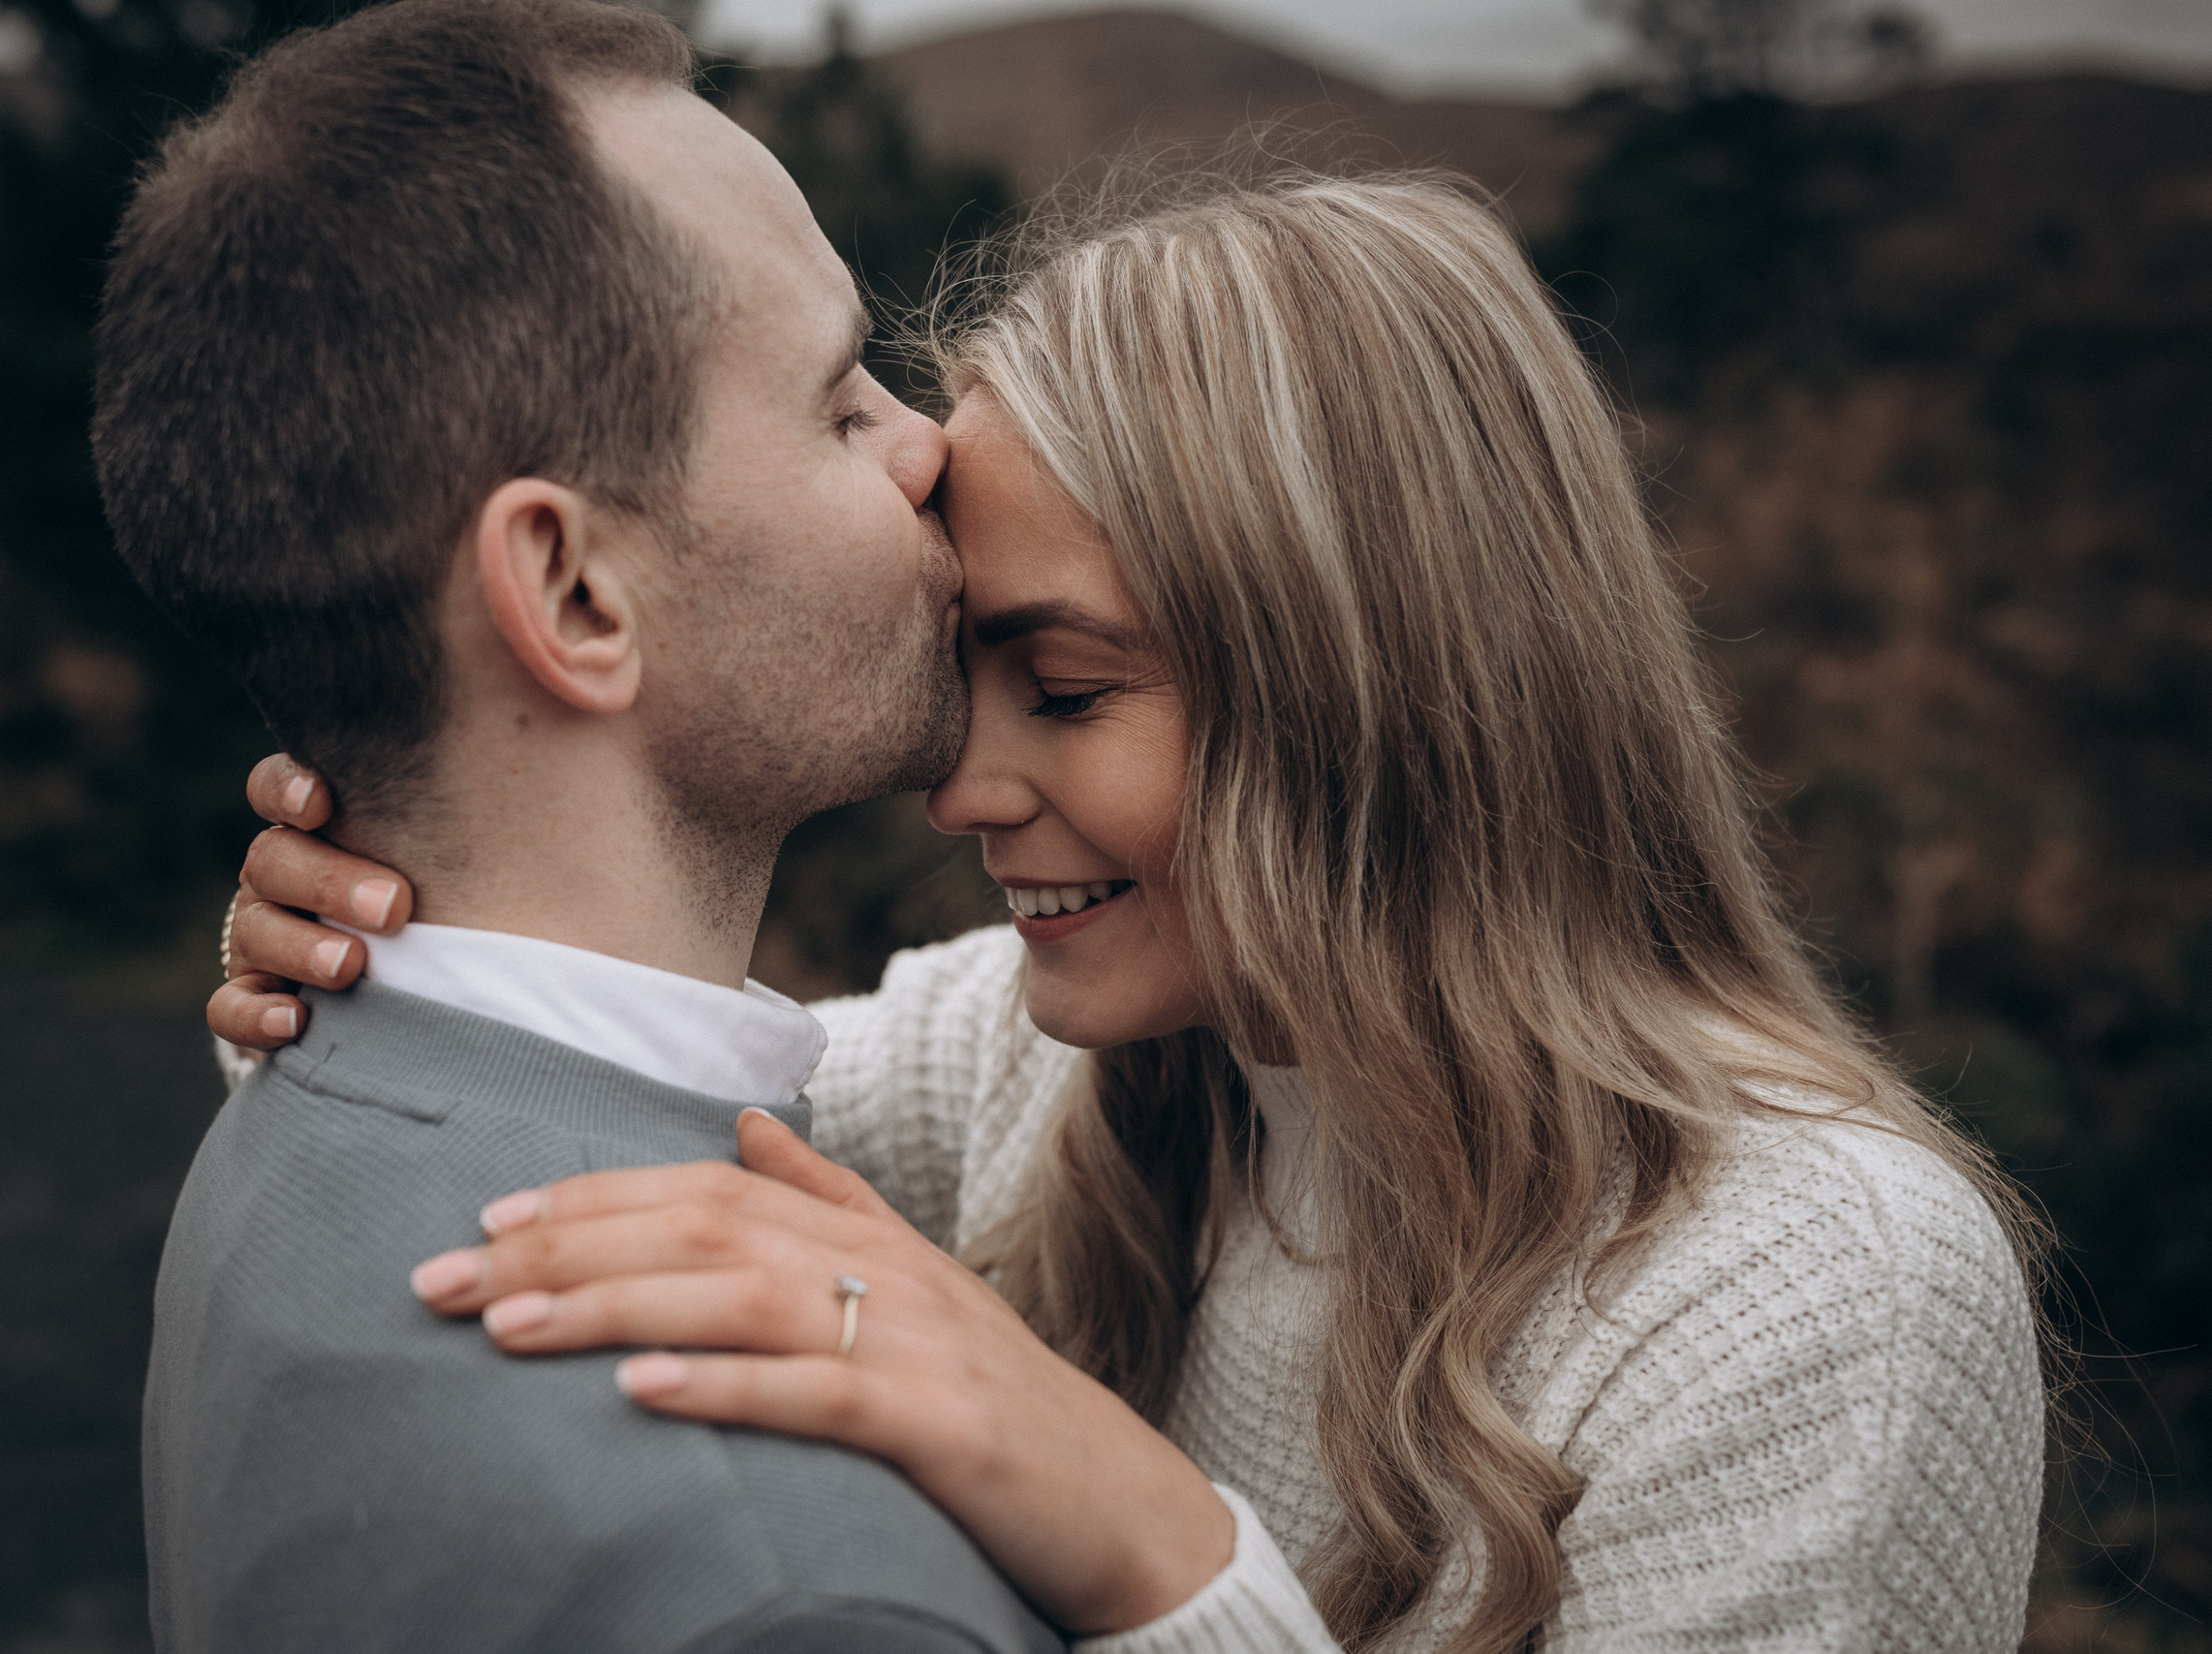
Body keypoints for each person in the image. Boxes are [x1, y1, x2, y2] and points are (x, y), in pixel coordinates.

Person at [215, 115, 2051, 1654]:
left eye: (1070, 688)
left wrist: (1160, 1556)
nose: (962, 780)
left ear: (1377, 696)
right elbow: (589, 1148)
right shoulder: (1054, 1062)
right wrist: (392, 924)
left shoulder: (1812, 1300)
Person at [93, 2, 1088, 1649]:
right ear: (570, 590)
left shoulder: (303, 1128)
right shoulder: (794, 1583)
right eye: (842, 401)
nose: (929, 451)